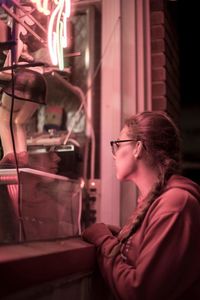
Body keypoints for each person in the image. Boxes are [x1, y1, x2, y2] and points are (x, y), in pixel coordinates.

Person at [82, 111, 200, 300]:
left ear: (137, 148)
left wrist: (103, 241)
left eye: (118, 145)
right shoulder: (156, 202)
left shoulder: (175, 205)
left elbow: (139, 293)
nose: (114, 155)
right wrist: (121, 236)